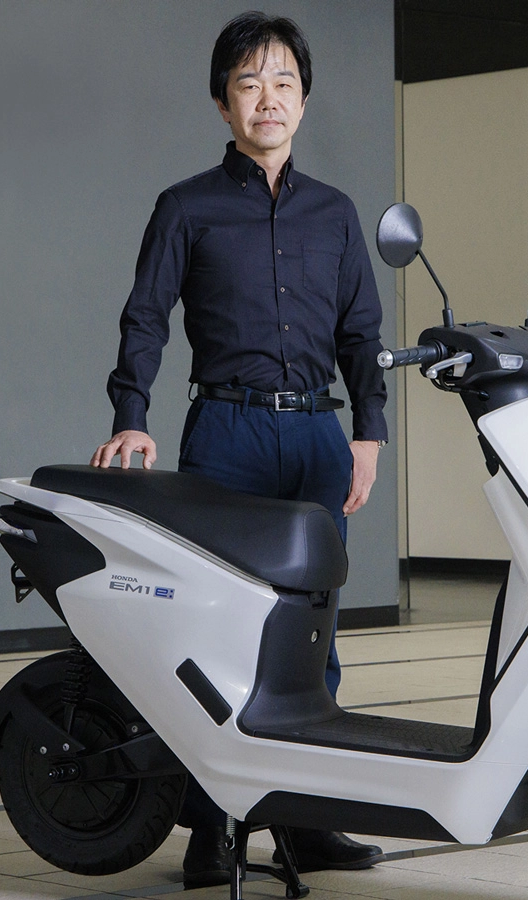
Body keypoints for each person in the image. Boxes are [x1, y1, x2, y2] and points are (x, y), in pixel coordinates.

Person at [89, 11, 387, 889]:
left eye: (283, 82)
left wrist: (368, 434)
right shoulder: (186, 207)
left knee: (314, 635)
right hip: (226, 433)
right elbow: (145, 317)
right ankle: (213, 829)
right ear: (223, 103)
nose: (268, 98)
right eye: (249, 83)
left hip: (318, 439)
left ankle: (307, 822)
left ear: (304, 100)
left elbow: (362, 335)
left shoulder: (335, 214)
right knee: (217, 631)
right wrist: (131, 415)